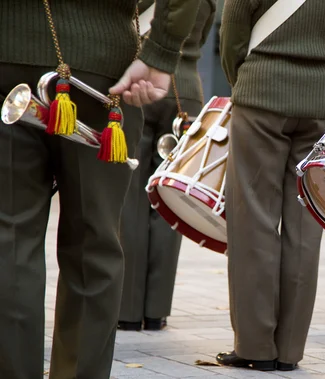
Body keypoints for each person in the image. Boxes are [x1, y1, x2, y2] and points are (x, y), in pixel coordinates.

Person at [0, 1, 200, 378]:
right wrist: (160, 53)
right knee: (94, 242)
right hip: (100, 65)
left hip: (7, 54)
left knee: (8, 238)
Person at [216, 0, 325, 371]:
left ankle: (254, 346)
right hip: (324, 99)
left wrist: (248, 80)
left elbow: (232, 35)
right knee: (305, 228)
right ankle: (289, 351)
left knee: (253, 220)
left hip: (262, 92)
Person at [118, 0, 216, 332]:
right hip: (185, 87)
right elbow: (204, 35)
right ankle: (156, 310)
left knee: (129, 198)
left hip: (137, 82)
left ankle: (127, 309)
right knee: (167, 200)